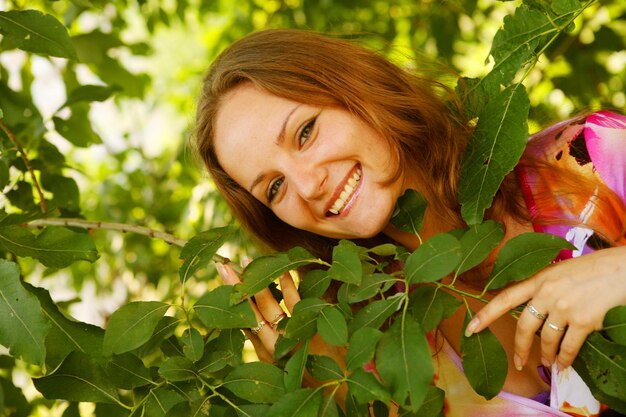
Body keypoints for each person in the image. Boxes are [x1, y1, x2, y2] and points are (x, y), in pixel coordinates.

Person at [194, 28, 626, 416]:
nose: (307, 186)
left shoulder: (588, 160)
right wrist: (335, 402)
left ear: (358, 90)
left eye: (305, 132)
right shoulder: (376, 349)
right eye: (273, 188)